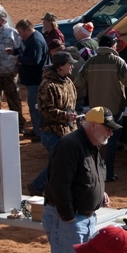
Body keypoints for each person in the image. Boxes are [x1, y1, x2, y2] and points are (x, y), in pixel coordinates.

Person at [42, 107, 117, 253]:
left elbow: (86, 177)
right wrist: (68, 218)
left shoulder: (92, 143)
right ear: (93, 125)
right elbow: (59, 186)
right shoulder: (71, 145)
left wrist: (98, 195)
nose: (110, 133)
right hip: (70, 219)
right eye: (107, 128)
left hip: (87, 217)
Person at [74, 33, 127, 182]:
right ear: (113, 46)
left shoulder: (90, 62)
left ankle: (93, 171)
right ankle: (108, 172)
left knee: (95, 141)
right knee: (112, 142)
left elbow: (78, 83)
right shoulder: (118, 61)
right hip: (115, 108)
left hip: (96, 110)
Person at [30, 52, 80, 195]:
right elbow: (46, 110)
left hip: (68, 130)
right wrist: (66, 116)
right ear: (60, 67)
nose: (72, 66)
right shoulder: (48, 85)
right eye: (69, 63)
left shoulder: (68, 82)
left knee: (66, 162)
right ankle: (38, 187)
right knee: (61, 162)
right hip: (51, 132)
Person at [16, 18, 49, 139]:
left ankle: (39, 132)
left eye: (20, 32)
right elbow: (25, 52)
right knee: (33, 105)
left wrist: (19, 59)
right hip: (31, 80)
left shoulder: (35, 40)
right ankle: (37, 130)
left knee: (35, 106)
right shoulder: (30, 39)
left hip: (36, 80)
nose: (19, 35)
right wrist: (15, 52)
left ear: (27, 30)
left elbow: (35, 60)